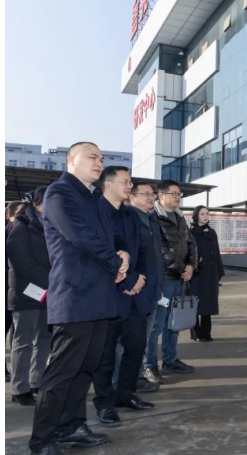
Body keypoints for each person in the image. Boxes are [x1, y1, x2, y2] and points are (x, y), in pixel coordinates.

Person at [29, 142, 129, 455]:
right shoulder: (59, 193)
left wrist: (122, 254)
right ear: (71, 160)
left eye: (102, 158)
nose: (99, 162)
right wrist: (116, 262)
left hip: (98, 296)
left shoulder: (92, 197)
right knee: (62, 372)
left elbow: (108, 238)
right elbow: (83, 237)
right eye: (92, 157)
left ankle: (71, 426)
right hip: (75, 296)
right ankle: (42, 440)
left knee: (85, 368)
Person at [92, 167, 154, 428]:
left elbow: (140, 250)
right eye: (125, 182)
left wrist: (141, 278)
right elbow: (100, 252)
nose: (130, 186)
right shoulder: (95, 212)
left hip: (134, 292)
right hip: (107, 294)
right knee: (104, 355)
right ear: (108, 184)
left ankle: (125, 394)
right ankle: (104, 403)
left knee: (136, 346)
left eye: (130, 182)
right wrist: (129, 280)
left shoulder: (130, 215)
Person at [143, 180, 198, 384]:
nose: (178, 197)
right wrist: (182, 268)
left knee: (174, 323)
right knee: (156, 326)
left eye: (179, 194)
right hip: (164, 279)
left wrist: (191, 265)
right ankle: (149, 365)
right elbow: (161, 250)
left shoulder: (180, 217)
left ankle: (170, 360)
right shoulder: (153, 217)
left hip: (179, 278)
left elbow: (191, 243)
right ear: (161, 195)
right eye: (174, 194)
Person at [7, 188, 52, 406]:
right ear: (37, 203)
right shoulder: (22, 225)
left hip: (49, 293)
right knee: (23, 342)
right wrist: (50, 280)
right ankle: (20, 388)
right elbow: (21, 261)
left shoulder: (52, 226)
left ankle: (37, 381)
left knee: (44, 339)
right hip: (27, 292)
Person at [124, 181, 164, 392]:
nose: (151, 197)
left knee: (145, 337)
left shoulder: (150, 220)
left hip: (153, 289)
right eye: (145, 194)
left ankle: (137, 375)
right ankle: (130, 380)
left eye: (152, 194)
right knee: (133, 339)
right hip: (137, 289)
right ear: (131, 196)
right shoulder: (128, 219)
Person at [188, 206, 225, 342]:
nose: (205, 216)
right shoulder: (191, 232)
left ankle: (207, 333)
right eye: (202, 214)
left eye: (207, 214)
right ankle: (196, 334)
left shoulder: (212, 232)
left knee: (208, 304)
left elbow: (217, 252)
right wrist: (194, 263)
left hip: (210, 273)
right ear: (196, 216)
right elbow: (187, 252)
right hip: (197, 273)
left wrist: (219, 271)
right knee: (195, 304)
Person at [5, 200, 26, 382]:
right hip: (7, 289)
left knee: (17, 332)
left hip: (18, 291)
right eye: (18, 214)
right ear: (9, 216)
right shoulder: (7, 235)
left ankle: (17, 370)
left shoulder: (26, 234)